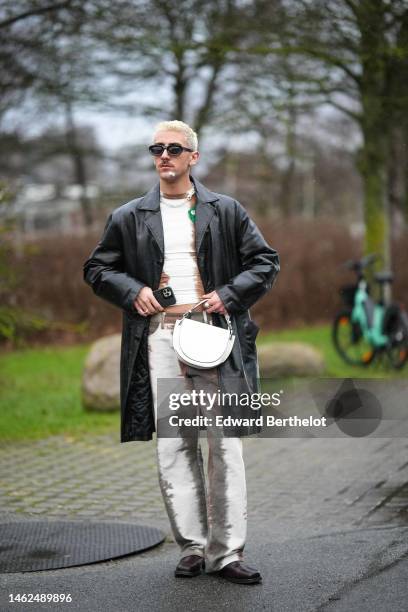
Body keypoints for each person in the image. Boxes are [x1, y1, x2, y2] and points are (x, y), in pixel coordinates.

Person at [83, 120, 280, 584]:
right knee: (174, 445)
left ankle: (226, 552)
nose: (164, 155)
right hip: (161, 339)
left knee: (223, 443)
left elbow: (265, 261)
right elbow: (96, 268)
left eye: (174, 148)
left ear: (194, 156)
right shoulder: (129, 216)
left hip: (214, 334)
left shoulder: (226, 210)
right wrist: (133, 290)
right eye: (157, 148)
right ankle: (192, 546)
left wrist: (229, 295)